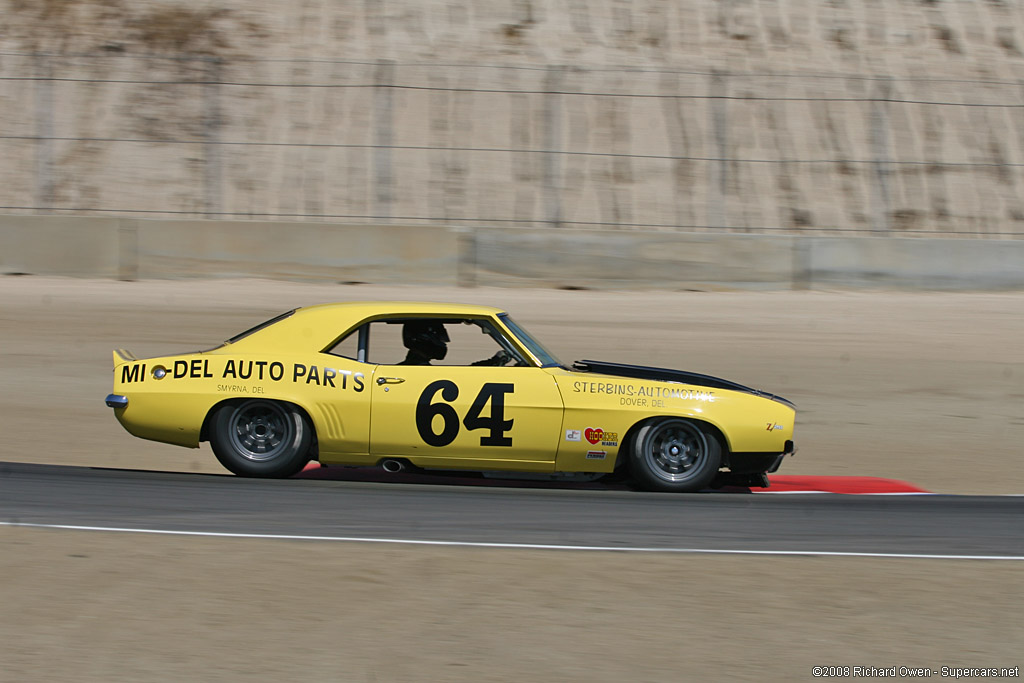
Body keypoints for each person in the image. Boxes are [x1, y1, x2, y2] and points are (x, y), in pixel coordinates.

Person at [397, 320, 514, 366]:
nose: (443, 344)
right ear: (424, 338)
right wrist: (493, 362)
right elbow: (463, 378)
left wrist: (492, 362)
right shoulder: (416, 369)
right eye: (439, 339)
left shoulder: (412, 366)